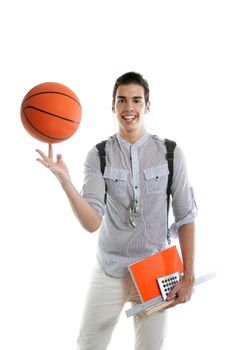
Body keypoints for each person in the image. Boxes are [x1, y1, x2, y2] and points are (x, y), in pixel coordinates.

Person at [36, 72, 197, 350]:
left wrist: (188, 277)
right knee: (88, 344)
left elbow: (186, 217)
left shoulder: (171, 153)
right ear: (113, 106)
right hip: (111, 268)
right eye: (121, 100)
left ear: (147, 105)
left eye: (136, 100)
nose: (129, 107)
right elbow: (91, 222)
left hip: (155, 270)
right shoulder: (98, 155)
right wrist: (65, 182)